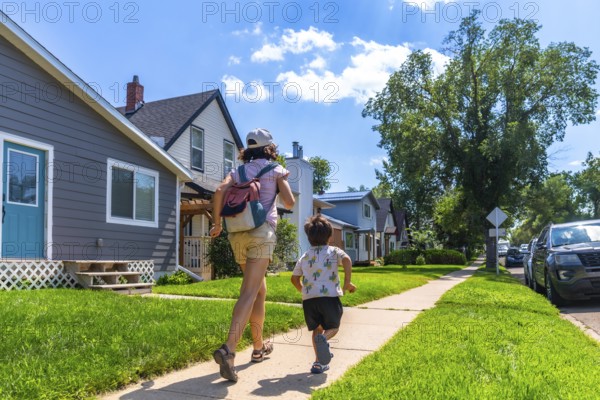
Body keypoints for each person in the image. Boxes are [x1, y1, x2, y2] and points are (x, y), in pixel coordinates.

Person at [210, 128, 295, 382]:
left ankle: (258, 349)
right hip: (260, 233)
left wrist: (216, 224)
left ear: (248, 149)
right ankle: (229, 349)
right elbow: (290, 202)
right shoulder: (275, 169)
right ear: (270, 148)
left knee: (259, 290)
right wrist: (277, 190)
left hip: (237, 233)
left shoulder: (237, 172)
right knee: (249, 292)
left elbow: (218, 191)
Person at [291, 214, 356, 374]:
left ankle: (318, 363)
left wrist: (303, 291)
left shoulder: (305, 256)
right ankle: (325, 339)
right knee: (333, 327)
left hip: (309, 301)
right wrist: (347, 282)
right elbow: (347, 260)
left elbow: (294, 278)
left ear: (308, 237)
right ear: (330, 235)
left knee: (317, 329)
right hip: (329, 298)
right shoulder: (334, 251)